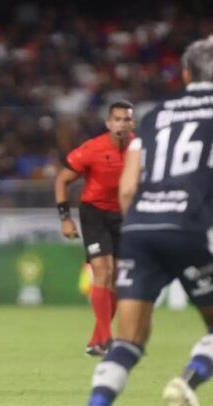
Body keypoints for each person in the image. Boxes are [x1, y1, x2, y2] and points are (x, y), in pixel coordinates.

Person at [87, 35, 213, 406]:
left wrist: (144, 225)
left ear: (185, 73)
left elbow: (127, 189)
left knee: (128, 340)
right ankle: (187, 382)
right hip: (193, 228)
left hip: (140, 229)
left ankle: (96, 402)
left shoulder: (152, 116)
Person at [54, 100, 135, 356]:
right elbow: (62, 179)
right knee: (103, 270)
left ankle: (97, 339)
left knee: (116, 278)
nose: (121, 124)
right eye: (117, 119)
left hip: (124, 215)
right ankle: (108, 339)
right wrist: (65, 218)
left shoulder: (140, 149)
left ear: (132, 123)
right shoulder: (93, 148)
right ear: (109, 123)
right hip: (95, 212)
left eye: (126, 119)